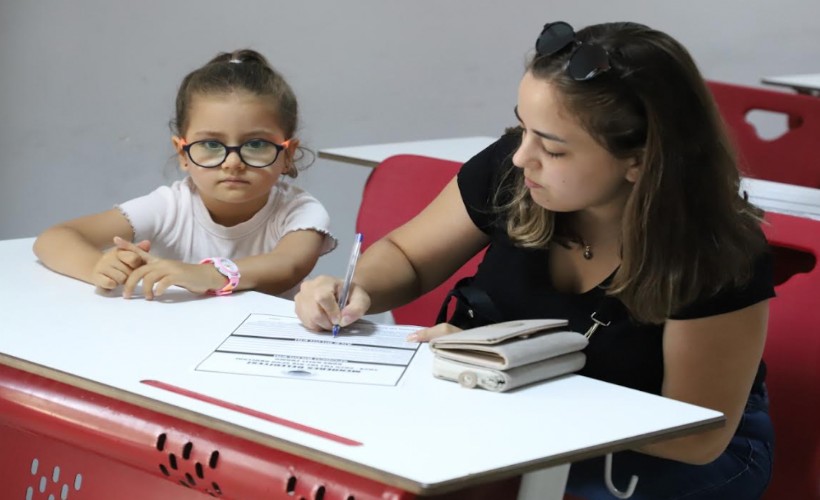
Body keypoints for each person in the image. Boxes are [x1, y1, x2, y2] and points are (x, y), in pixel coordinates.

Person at [295, 21, 774, 499]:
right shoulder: (517, 170)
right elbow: (409, 257)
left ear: (640, 161)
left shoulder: (713, 250)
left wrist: (501, 374)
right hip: (513, 422)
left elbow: (694, 435)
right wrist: (358, 289)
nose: (522, 157)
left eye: (552, 147)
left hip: (661, 454)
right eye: (522, 128)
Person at [34, 49, 336, 300]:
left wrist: (207, 274)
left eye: (256, 144)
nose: (232, 163)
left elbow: (287, 266)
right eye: (210, 144)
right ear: (183, 153)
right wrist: (99, 266)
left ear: (288, 154)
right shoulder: (170, 206)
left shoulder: (301, 212)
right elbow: (54, 238)